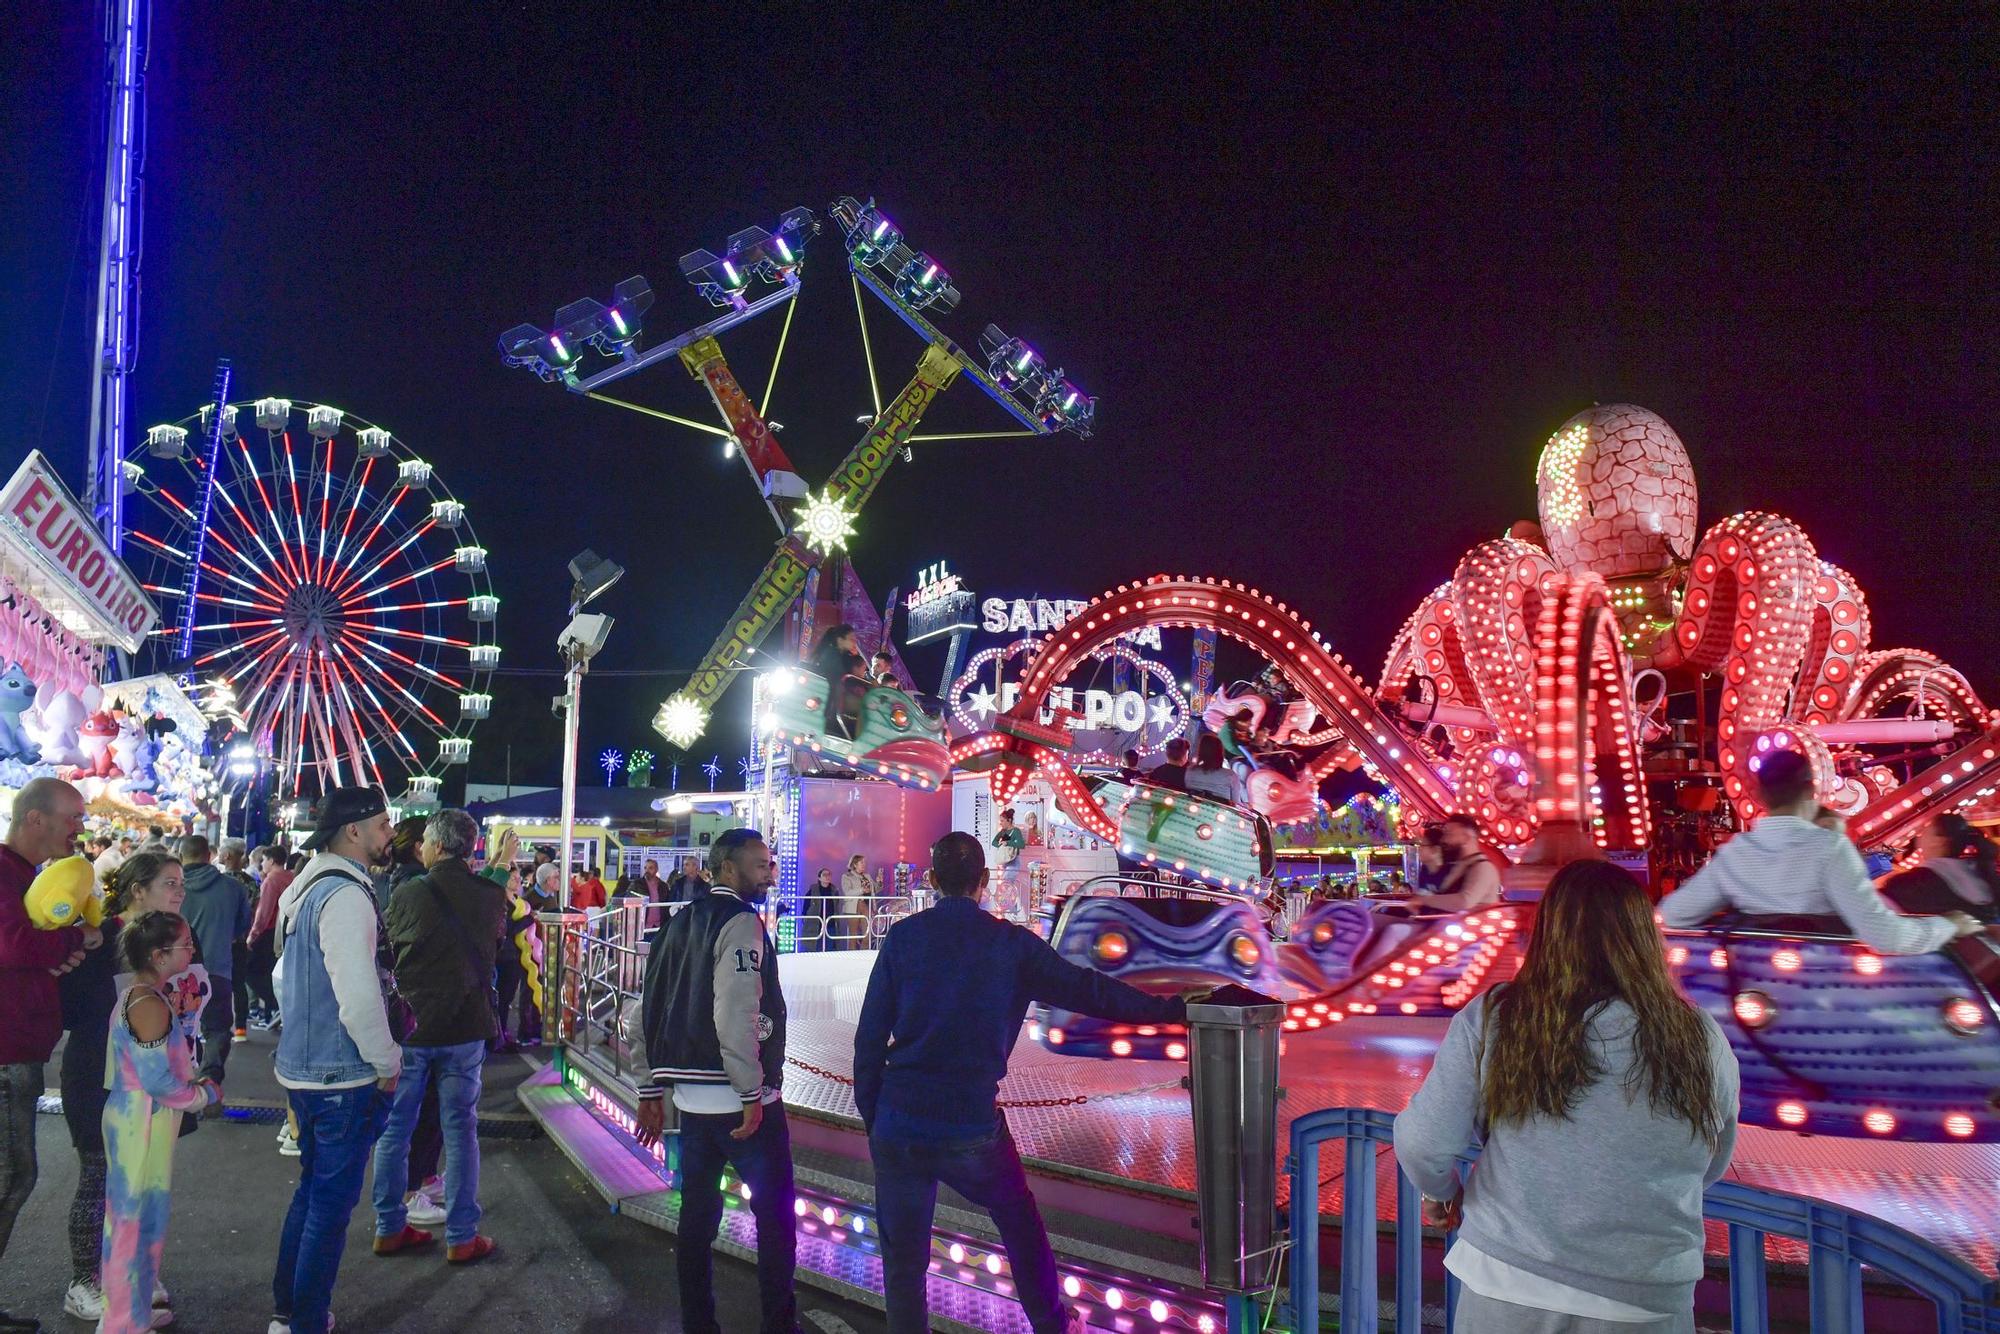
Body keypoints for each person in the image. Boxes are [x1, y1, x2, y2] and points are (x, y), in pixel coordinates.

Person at [854, 831, 1193, 1334]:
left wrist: (874, 1117)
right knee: (1018, 1222)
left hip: (900, 1120)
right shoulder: (1010, 947)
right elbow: (1090, 991)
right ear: (985, 881)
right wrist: (1173, 1012)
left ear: (932, 880)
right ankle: (1052, 1323)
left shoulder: (904, 939)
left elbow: (868, 1038)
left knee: (904, 1263)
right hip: (969, 1124)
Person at [1395, 860, 1739, 1331]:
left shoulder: (1498, 1017)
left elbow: (1424, 1141)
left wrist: (1442, 1192)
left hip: (1509, 1280)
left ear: (1548, 932)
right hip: (1644, 1293)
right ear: (1645, 936)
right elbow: (1711, 1157)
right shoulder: (1700, 1035)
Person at [634, 829, 796, 1334]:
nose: (769, 873)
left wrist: (649, 1086)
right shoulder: (742, 922)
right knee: (775, 1222)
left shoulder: (676, 926)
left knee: (697, 1220)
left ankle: (697, 1323)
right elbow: (737, 1008)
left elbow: (647, 1007)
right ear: (728, 868)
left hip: (690, 1101)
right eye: (760, 865)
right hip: (742, 1102)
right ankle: (778, 1324)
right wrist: (751, 1090)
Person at [270, 786, 402, 1334]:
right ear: (353, 831)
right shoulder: (346, 896)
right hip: (342, 1074)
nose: (390, 833)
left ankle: (288, 1311)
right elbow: (359, 995)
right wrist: (387, 1061)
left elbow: (282, 976)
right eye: (382, 824)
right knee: (329, 1206)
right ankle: (304, 1320)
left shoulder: (303, 889)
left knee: (311, 1194)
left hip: (302, 1068)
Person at [1658, 750, 1982, 953]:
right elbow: (1884, 935)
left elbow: (1671, 917)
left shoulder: (1736, 854)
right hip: (1824, 995)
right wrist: (1949, 925)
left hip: (1750, 993)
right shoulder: (1829, 849)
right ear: (1811, 788)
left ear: (1760, 795)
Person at [58, 851, 184, 1324]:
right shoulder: (101, 940)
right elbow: (72, 1008)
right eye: (169, 883)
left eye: (181, 884)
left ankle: (133, 1276)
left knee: (148, 1186)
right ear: (137, 889)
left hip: (156, 1082)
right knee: (100, 1177)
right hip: (99, 1074)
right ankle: (86, 1281)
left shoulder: (172, 938)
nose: (179, 892)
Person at [372, 808, 503, 1264]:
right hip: (466, 1027)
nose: (421, 849)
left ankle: (389, 1225)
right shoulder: (490, 895)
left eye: (425, 842)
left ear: (438, 846)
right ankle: (462, 1235)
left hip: (413, 1027)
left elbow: (386, 950)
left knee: (396, 1129)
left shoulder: (408, 893)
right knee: (460, 1129)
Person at [2, 778, 100, 1332]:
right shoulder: (4, 873)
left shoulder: (26, 877)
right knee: (11, 1178)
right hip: (5, 1050)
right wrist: (71, 944)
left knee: (13, 1177)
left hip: (19, 1047)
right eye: (72, 817)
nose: (79, 827)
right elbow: (12, 944)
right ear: (35, 819)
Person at [99, 911, 219, 1334]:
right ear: (159, 954)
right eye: (185, 944)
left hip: (143, 1116)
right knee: (133, 1219)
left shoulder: (149, 994)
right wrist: (202, 1096)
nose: (191, 950)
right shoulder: (147, 1001)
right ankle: (119, 1323)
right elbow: (156, 1080)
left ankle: (132, 1310)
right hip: (140, 1120)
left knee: (144, 1216)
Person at [175, 833, 253, 1096]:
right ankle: (209, 1079)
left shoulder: (172, 887)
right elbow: (242, 927)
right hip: (218, 968)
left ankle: (177, 1080)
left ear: (181, 856)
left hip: (176, 972)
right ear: (209, 855)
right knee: (218, 1029)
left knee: (174, 1028)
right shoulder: (233, 888)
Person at [1880, 814, 2000, 921]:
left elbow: (1875, 913)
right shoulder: (1982, 876)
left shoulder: (1912, 884)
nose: (1919, 836)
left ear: (1939, 841)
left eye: (1924, 831)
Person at [1409, 815, 1504, 911]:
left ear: (1466, 838)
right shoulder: (1459, 866)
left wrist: (1424, 900)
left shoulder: (1483, 868)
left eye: (1449, 834)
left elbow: (1464, 902)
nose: (1444, 840)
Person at [246, 844, 293, 1028]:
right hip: (285, 932)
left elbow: (264, 913)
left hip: (269, 934)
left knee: (252, 971)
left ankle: (272, 1007)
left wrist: (252, 935)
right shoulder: (292, 877)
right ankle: (271, 1012)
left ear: (272, 861)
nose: (262, 864)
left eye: (264, 860)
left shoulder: (271, 880)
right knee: (273, 972)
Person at [812, 623, 866, 737]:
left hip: (836, 699)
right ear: (840, 640)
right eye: (851, 639)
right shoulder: (831, 655)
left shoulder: (844, 656)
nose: (854, 642)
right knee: (865, 707)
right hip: (830, 701)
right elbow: (839, 677)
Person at [1184, 732, 1245, 803]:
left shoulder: (1189, 771)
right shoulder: (1230, 775)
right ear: (1220, 753)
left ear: (1201, 751)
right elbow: (1236, 803)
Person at [840, 854, 876, 948]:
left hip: (866, 906)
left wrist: (879, 882)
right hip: (853, 907)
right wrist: (861, 890)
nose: (864, 864)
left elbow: (875, 890)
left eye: (865, 862)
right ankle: (852, 958)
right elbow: (847, 892)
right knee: (853, 936)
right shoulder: (847, 876)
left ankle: (864, 955)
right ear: (855, 864)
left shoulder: (867, 876)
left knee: (867, 934)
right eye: (862, 862)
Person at [805, 868, 837, 951]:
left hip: (830, 922)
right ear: (819, 878)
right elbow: (806, 905)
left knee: (830, 947)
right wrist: (805, 916)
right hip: (816, 923)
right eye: (824, 875)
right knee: (816, 947)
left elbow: (836, 905)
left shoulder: (834, 890)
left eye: (829, 875)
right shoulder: (813, 890)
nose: (827, 877)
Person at [1413, 825, 1446, 891]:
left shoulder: (1449, 872)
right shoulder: (1424, 869)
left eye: (1423, 845)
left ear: (1435, 849)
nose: (1419, 849)